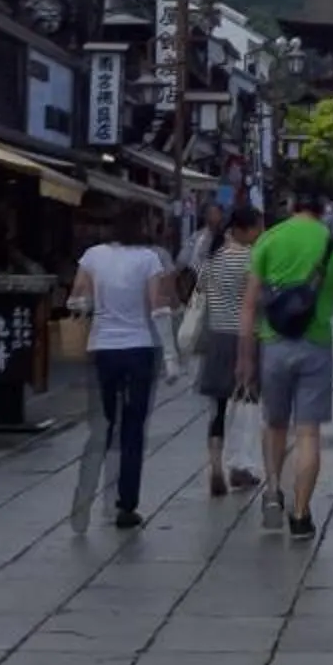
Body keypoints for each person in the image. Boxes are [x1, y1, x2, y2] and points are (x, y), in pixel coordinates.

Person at [249, 187, 333, 540]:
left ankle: (272, 491)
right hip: (315, 345)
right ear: (323, 207)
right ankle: (300, 514)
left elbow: (250, 302)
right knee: (309, 432)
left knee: (275, 424)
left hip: (273, 345)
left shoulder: (268, 240)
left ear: (291, 204)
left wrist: (243, 353)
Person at [68, 216, 178, 532]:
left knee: (104, 425)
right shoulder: (148, 259)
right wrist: (170, 356)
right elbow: (158, 307)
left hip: (103, 348)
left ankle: (85, 498)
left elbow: (76, 298)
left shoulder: (93, 256)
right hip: (139, 350)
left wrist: (90, 304)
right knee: (133, 428)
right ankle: (126, 504)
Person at [195, 204, 264, 497]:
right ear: (243, 229)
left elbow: (200, 290)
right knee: (247, 403)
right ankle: (241, 466)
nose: (261, 232)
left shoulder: (214, 257)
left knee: (218, 407)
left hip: (216, 336)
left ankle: (215, 465)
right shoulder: (251, 259)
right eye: (258, 227)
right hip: (245, 337)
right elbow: (256, 300)